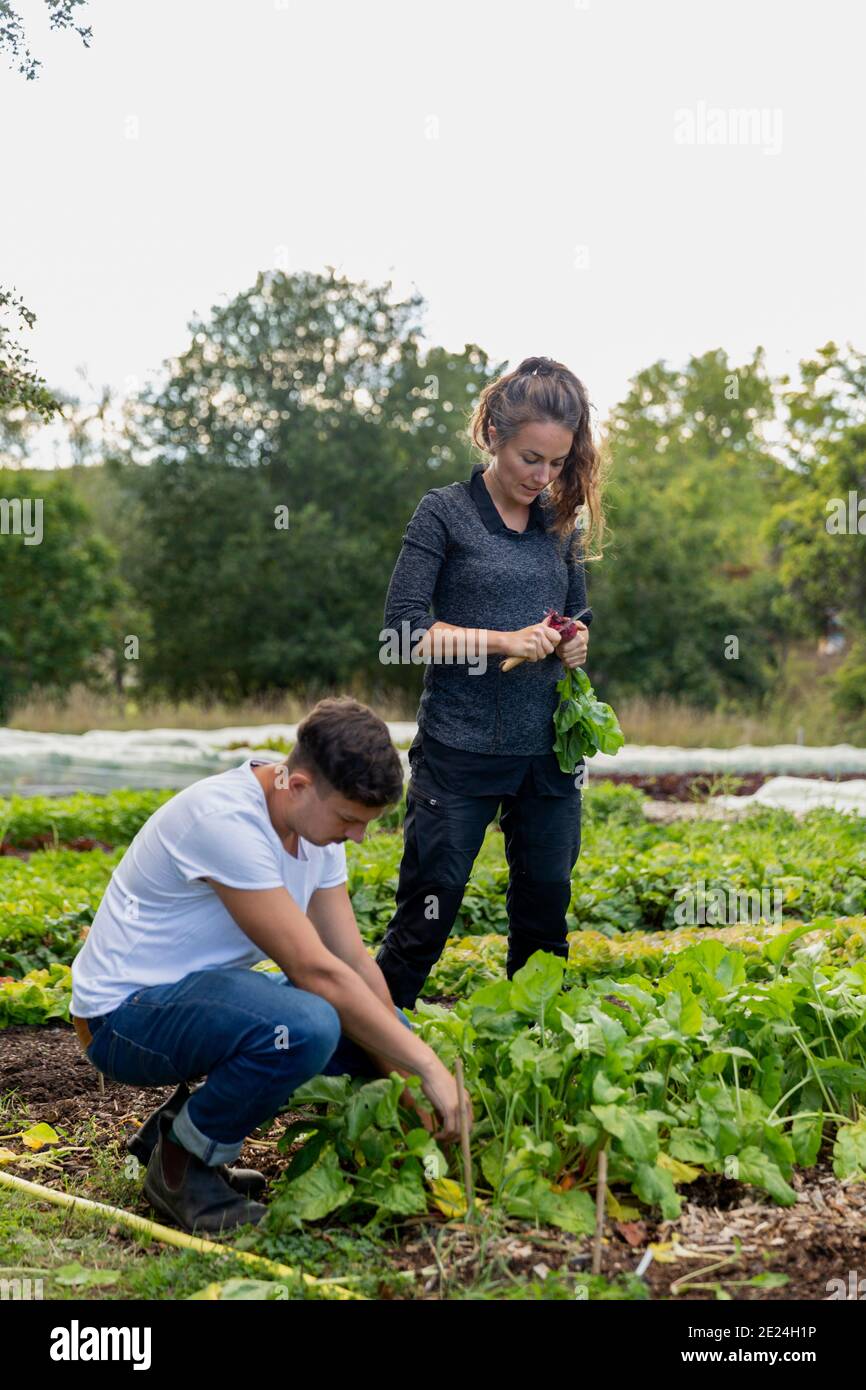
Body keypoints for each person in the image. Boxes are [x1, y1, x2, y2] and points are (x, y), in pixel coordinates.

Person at [70, 696, 473, 1235]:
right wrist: (427, 1067)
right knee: (308, 1025)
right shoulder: (226, 823)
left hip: (194, 1001)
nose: (358, 837)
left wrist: (409, 1088)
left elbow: (349, 960)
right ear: (299, 784)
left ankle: (177, 1131)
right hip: (120, 1022)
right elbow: (315, 972)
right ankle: (182, 1164)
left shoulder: (311, 827)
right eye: (351, 820)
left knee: (368, 1027)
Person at [375, 356, 606, 1009]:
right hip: (460, 752)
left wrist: (575, 641)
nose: (544, 477)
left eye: (559, 463)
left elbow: (577, 617)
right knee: (426, 919)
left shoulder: (560, 524)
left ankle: (537, 1062)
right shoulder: (444, 514)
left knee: (544, 922)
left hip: (547, 759)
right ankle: (363, 1061)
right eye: (531, 458)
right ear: (493, 435)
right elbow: (400, 634)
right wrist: (501, 642)